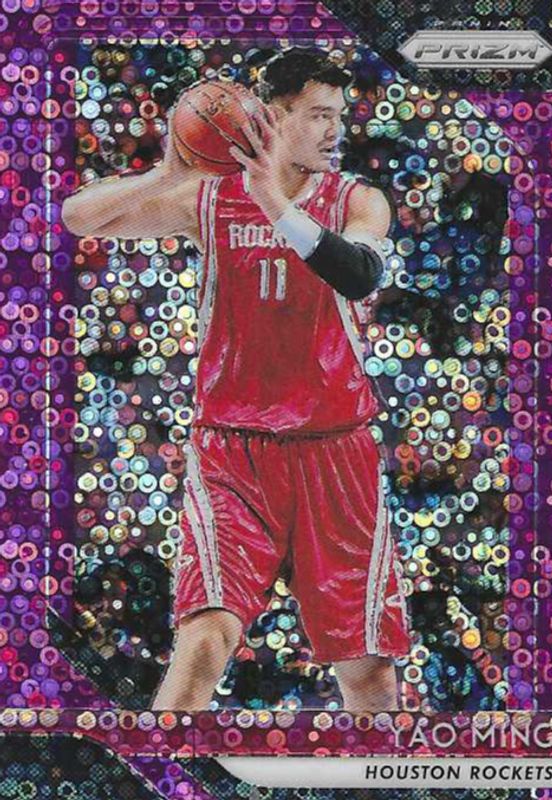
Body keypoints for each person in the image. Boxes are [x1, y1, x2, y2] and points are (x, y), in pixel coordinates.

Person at [62, 47, 410, 713]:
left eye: (338, 116)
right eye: (318, 115)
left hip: (335, 451)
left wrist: (274, 203)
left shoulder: (356, 200)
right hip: (233, 452)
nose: (335, 130)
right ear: (271, 118)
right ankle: (155, 766)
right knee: (203, 643)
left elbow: (360, 274)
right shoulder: (209, 199)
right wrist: (165, 172)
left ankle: (383, 769)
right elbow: (80, 217)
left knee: (369, 677)